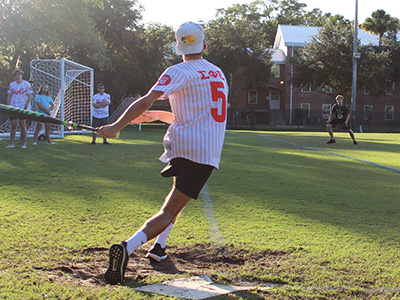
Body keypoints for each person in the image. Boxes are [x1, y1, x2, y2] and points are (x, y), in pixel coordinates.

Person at [98, 21, 229, 285]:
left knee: (175, 196)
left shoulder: (177, 71)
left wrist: (121, 124)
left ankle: (160, 247)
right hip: (203, 151)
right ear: (204, 46)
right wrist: (116, 127)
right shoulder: (218, 73)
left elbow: (149, 100)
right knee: (170, 210)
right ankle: (127, 247)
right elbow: (205, 116)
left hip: (181, 144)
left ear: (178, 47)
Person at [6, 69, 33, 149]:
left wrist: (26, 105)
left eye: (20, 74)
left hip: (22, 107)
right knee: (13, 125)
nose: (19, 76)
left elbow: (29, 96)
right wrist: (8, 105)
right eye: (17, 75)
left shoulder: (26, 84)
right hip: (13, 106)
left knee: (23, 125)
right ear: (15, 76)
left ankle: (24, 143)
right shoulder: (12, 84)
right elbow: (9, 95)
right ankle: (12, 143)